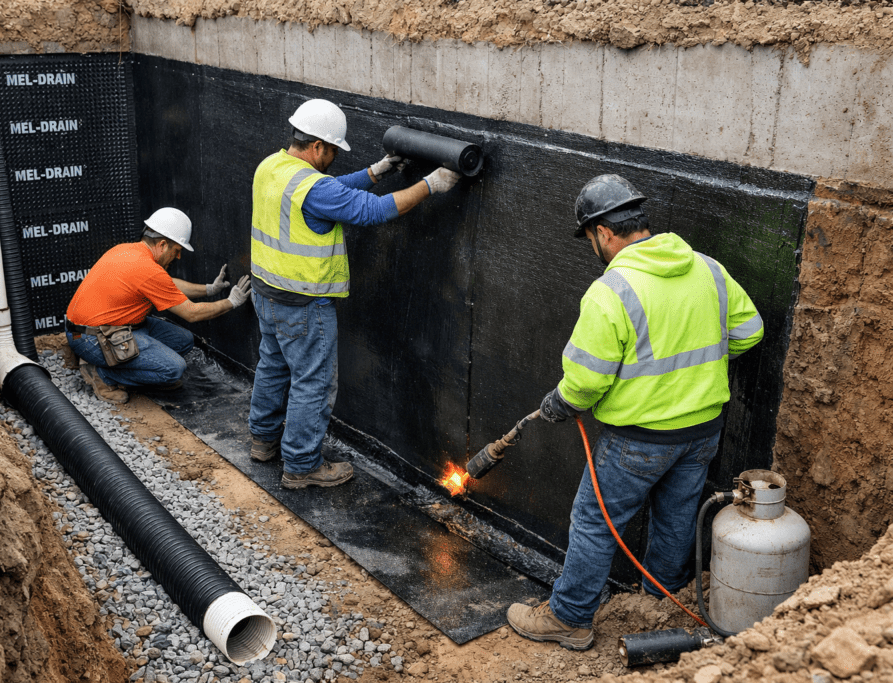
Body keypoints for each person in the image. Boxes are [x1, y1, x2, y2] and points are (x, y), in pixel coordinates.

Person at [506, 174, 764, 650]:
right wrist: (695, 371)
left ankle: (569, 617)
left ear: (603, 233)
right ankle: (658, 604)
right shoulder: (707, 268)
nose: (592, 247)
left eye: (589, 238)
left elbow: (584, 382)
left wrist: (562, 404)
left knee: (594, 522)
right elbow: (750, 331)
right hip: (704, 431)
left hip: (637, 442)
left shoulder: (612, 291)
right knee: (676, 518)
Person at [248, 98, 462, 490]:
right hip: (303, 304)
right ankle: (301, 466)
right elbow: (371, 212)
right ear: (317, 146)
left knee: (273, 368)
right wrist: (430, 185)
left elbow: (328, 192)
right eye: (332, 151)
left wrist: (376, 172)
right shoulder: (312, 186)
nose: (332, 158)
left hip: (266, 295)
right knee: (312, 384)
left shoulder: (272, 167)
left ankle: (263, 442)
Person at [65, 207, 251, 404]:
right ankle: (102, 374)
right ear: (162, 244)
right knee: (173, 370)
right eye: (176, 250)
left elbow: (168, 284)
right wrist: (231, 302)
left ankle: (120, 365)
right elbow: (192, 314)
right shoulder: (147, 269)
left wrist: (209, 289)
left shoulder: (128, 251)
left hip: (98, 328)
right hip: (91, 338)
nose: (178, 257)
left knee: (184, 340)